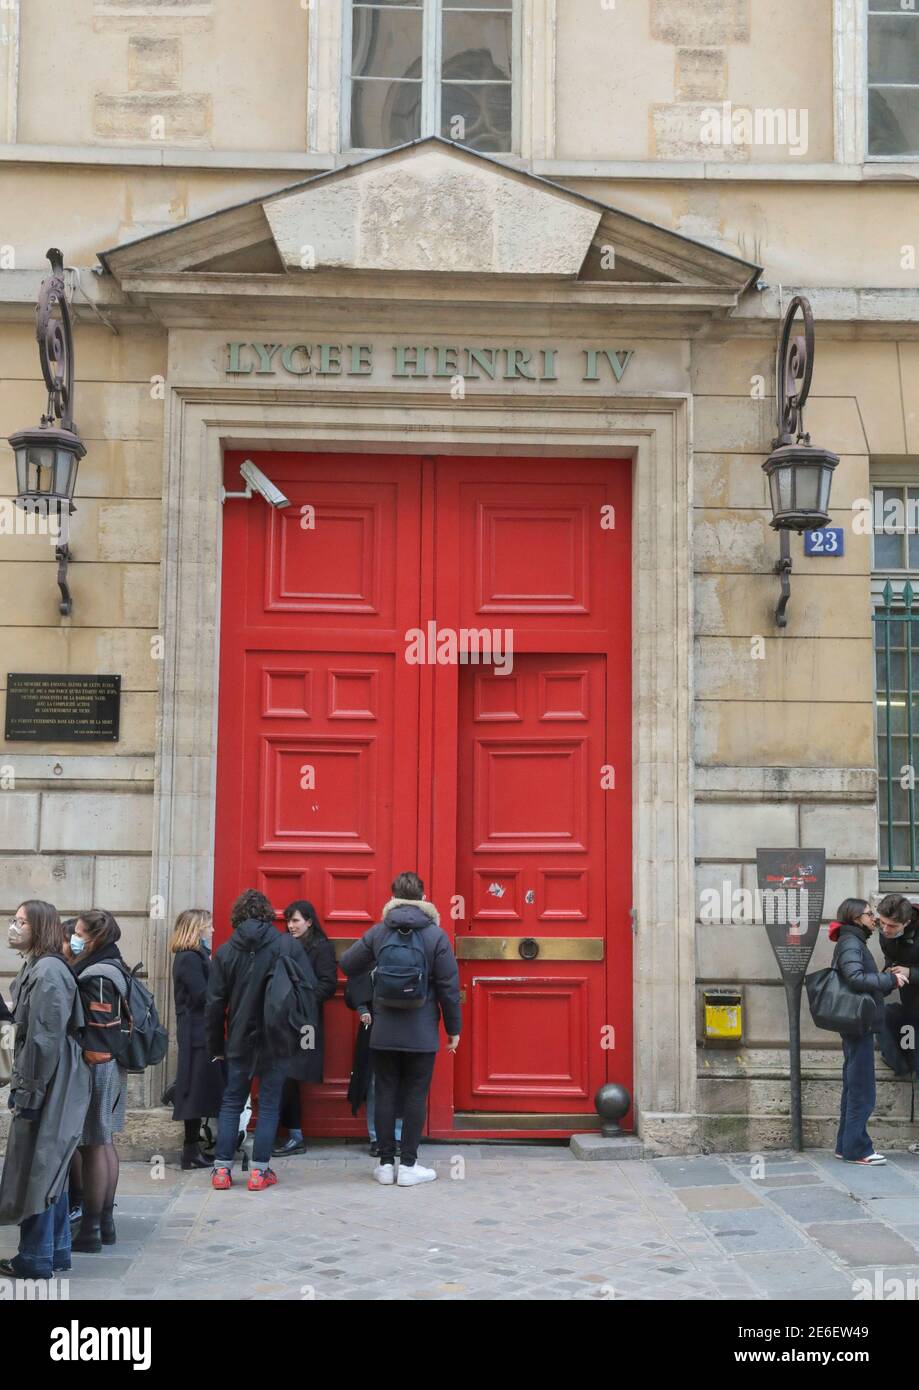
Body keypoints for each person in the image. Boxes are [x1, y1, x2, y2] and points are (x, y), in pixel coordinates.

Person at [340, 872, 461, 1187]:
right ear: (424, 898)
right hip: (421, 1032)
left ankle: (384, 1164)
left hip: (384, 1030)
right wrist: (453, 1029)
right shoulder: (436, 936)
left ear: (393, 898)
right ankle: (408, 1165)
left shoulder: (380, 931)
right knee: (415, 1095)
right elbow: (449, 988)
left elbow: (349, 963)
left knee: (385, 1093)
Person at [0, 901, 91, 1279]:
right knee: (50, 1166)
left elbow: (43, 1040)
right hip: (53, 1077)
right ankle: (54, 1251)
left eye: (21, 922)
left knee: (39, 1165)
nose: (13, 927)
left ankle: (36, 1257)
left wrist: (30, 1093)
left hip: (51, 1080)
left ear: (38, 927)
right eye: (14, 920)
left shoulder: (49, 971)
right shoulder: (41, 966)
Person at [205, 889, 309, 1191]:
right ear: (267, 914)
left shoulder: (225, 951)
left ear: (237, 915)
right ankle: (259, 1171)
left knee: (232, 1102)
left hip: (238, 1036)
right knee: (270, 1103)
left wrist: (216, 1045)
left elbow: (214, 1003)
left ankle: (222, 1170)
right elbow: (307, 990)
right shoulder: (286, 945)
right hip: (276, 1037)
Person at [828, 899, 909, 1166]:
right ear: (854, 918)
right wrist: (889, 979)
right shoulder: (851, 943)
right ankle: (858, 1149)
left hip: (856, 1022)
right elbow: (855, 979)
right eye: (869, 914)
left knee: (854, 1085)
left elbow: (862, 982)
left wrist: (887, 980)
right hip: (859, 1024)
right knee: (862, 1088)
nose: (874, 918)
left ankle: (845, 1145)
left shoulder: (852, 940)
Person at [68, 909, 130, 1252]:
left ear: (93, 937)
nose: (73, 938)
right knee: (103, 1141)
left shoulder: (96, 973)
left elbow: (99, 1028)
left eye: (77, 931)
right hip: (110, 1063)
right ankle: (104, 1224)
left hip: (97, 1064)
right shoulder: (113, 964)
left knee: (94, 1143)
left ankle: (91, 1229)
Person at [272, 900, 337, 1158]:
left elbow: (328, 983)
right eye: (288, 921)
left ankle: (295, 1135)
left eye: (296, 920)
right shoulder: (284, 945)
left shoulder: (321, 947)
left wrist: (302, 1001)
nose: (290, 925)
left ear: (309, 921)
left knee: (292, 1075)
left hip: (305, 1024)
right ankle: (292, 1133)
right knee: (284, 1076)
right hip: (282, 1022)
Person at [170, 909, 226, 1169]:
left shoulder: (196, 956)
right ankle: (190, 1150)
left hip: (200, 1031)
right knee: (194, 1090)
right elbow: (201, 995)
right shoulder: (189, 958)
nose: (212, 931)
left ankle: (192, 1149)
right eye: (209, 926)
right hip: (196, 1033)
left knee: (198, 1089)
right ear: (196, 928)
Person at [875, 893, 919, 1154]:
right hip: (912, 1009)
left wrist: (910, 973)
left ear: (908, 921)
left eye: (891, 926)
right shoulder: (886, 936)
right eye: (881, 923)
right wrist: (883, 978)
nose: (885, 930)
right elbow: (891, 961)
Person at [344, 968, 403, 1157]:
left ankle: (397, 1136)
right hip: (375, 1023)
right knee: (373, 1082)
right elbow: (354, 973)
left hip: (404, 1022)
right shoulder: (370, 952)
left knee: (401, 1081)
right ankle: (377, 1137)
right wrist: (362, 1008)